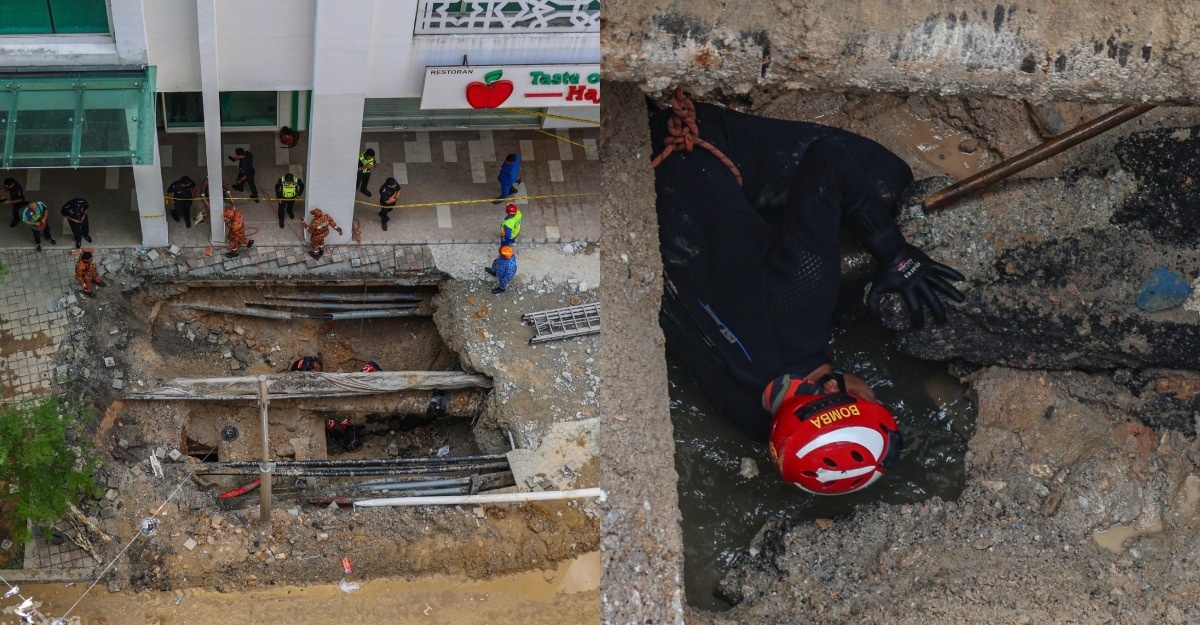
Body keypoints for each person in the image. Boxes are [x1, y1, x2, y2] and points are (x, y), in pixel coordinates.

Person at [651, 95, 964, 495]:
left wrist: (895, 253)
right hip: (671, 244)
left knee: (886, 181)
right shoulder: (750, 419)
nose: (875, 389)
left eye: (875, 398)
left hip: (679, 145)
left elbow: (829, 158)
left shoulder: (800, 306)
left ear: (834, 389)